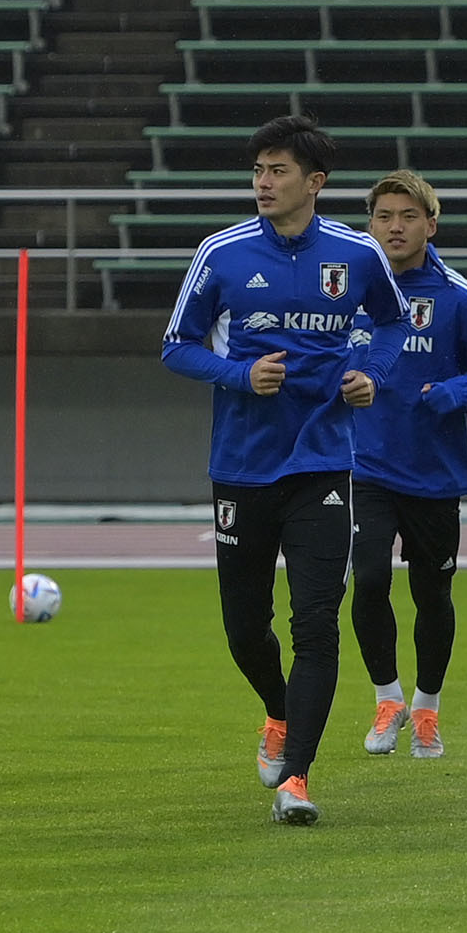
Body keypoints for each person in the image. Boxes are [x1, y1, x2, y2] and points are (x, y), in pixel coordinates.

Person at [160, 116, 407, 825]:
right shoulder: (224, 252)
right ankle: (277, 710)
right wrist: (240, 375)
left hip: (324, 463)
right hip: (241, 465)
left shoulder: (357, 255)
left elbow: (391, 326)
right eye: (259, 171)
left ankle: (295, 778)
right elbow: (176, 346)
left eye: (277, 171)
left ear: (315, 182)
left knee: (317, 625)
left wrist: (370, 374)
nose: (263, 183)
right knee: (245, 630)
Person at [350, 171, 467, 761]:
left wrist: (452, 392)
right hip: (362, 465)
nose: (395, 227)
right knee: (368, 579)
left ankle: (427, 708)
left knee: (432, 594)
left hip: (433, 473)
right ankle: (387, 699)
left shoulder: (460, 298)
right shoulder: (349, 289)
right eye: (384, 215)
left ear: (430, 225)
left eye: (408, 216)